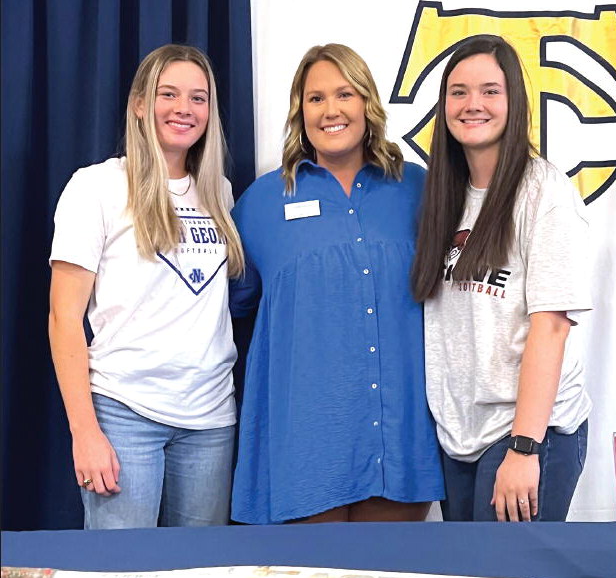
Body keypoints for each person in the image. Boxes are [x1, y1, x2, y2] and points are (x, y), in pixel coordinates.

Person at [230, 43, 445, 524]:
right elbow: (225, 310)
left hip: (398, 442)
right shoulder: (263, 202)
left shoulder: (420, 189)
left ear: (366, 104)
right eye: (315, 98)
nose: (330, 110)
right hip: (304, 449)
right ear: (298, 112)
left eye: (344, 94)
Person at [49, 44, 244, 529]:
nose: (184, 109)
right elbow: (62, 318)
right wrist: (84, 432)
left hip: (210, 419)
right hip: (124, 412)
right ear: (139, 103)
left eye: (198, 98)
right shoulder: (95, 187)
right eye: (168, 94)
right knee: (122, 576)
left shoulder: (218, 190)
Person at [411, 34, 592, 522]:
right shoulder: (443, 194)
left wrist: (525, 448)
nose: (473, 104)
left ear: (514, 101)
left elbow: (551, 326)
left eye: (490, 90)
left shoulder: (543, 191)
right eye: (458, 91)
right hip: (458, 435)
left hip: (525, 434)